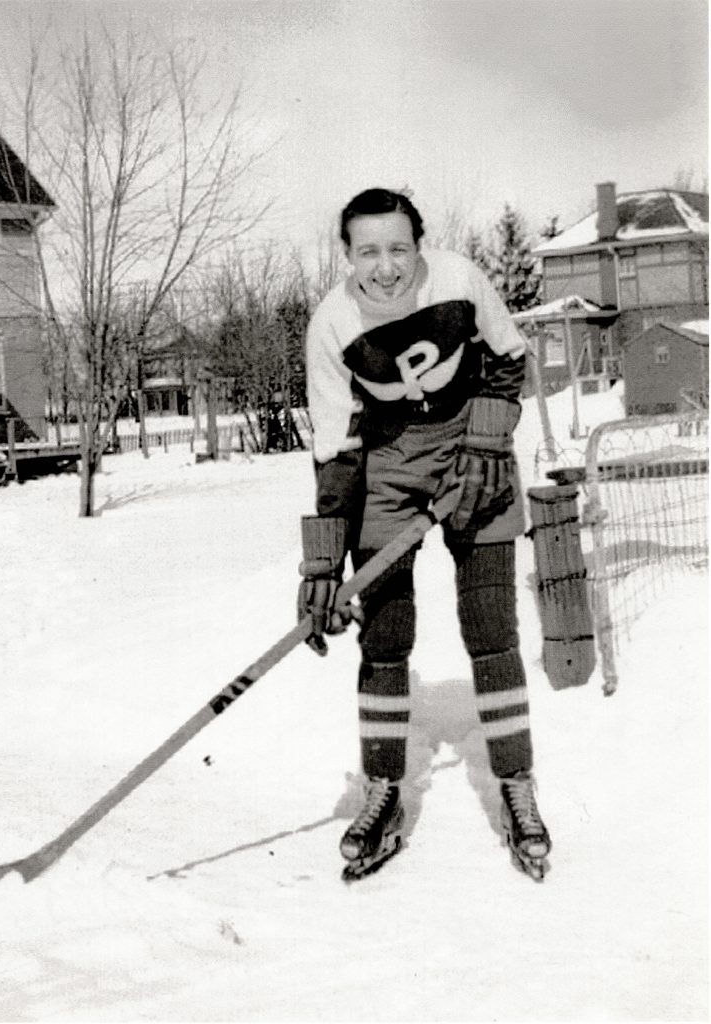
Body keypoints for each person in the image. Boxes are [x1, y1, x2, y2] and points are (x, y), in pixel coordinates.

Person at [297, 187, 551, 882]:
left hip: (476, 450)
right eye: (368, 251)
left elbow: (507, 357)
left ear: (420, 243)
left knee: (491, 627)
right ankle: (383, 790)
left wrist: (489, 440)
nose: (385, 267)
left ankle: (516, 784)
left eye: (398, 248)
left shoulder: (460, 280)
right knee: (384, 640)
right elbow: (336, 450)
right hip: (387, 466)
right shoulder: (331, 325)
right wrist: (322, 566)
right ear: (346, 255)